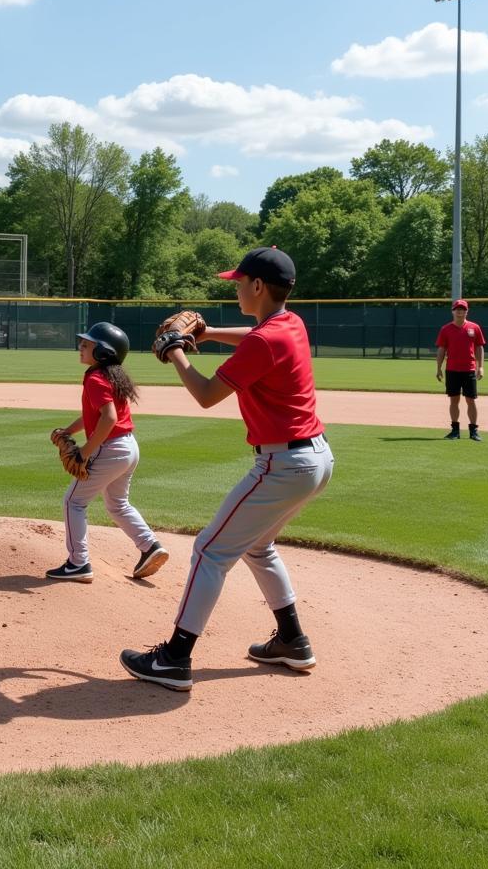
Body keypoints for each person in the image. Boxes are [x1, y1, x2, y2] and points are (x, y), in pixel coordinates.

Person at [120, 247, 334, 692]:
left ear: (258, 286)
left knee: (209, 551)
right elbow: (255, 337)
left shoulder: (264, 340)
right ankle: (293, 641)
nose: (235, 286)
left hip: (282, 463)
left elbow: (206, 393)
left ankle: (175, 659)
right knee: (257, 547)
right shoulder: (289, 323)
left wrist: (176, 350)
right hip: (315, 459)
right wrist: (212, 332)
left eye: (239, 282)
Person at [47, 322, 168, 583]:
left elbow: (109, 418)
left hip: (110, 448)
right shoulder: (111, 375)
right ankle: (150, 547)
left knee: (73, 502)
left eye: (87, 344)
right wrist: (68, 431)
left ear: (103, 352)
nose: (81, 346)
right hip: (129, 448)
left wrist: (85, 452)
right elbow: (94, 414)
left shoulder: (95, 378)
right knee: (118, 504)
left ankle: (78, 563)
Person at [436, 299, 486, 441]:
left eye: (462, 309)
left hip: (469, 369)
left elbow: (479, 347)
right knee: (454, 400)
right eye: (457, 309)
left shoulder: (474, 327)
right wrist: (438, 368)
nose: (460, 311)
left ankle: (474, 431)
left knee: (471, 400)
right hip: (452, 369)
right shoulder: (445, 329)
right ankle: (455, 431)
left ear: (467, 311)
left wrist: (480, 367)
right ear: (452, 311)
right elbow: (441, 349)